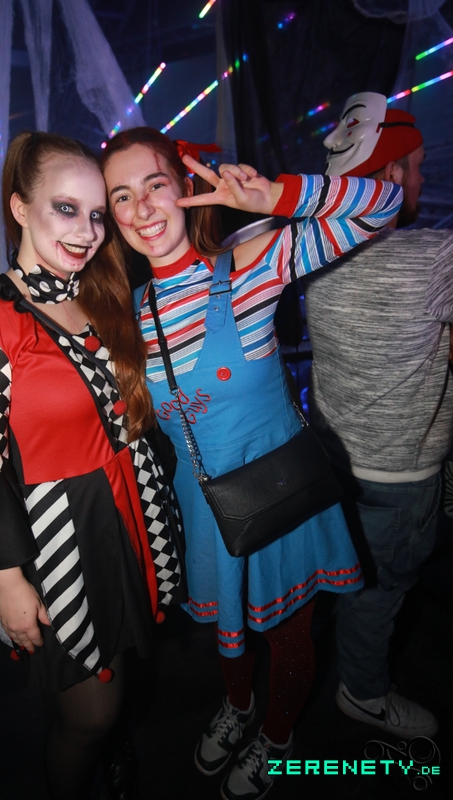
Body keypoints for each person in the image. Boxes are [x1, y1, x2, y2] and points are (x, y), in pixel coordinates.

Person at [100, 127, 402, 800]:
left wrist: (276, 197)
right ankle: (237, 707)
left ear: (186, 187)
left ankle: (278, 736)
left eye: (155, 184)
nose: (142, 209)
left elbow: (383, 205)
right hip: (205, 508)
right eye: (121, 196)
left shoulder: (247, 267)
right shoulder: (127, 316)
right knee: (226, 628)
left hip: (279, 496)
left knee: (289, 635)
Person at [0, 131, 183, 800]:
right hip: (58, 537)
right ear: (20, 208)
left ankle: (118, 751)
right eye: (66, 209)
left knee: (123, 671)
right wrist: (7, 579)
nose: (88, 231)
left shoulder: (100, 295)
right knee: (89, 713)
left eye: (97, 214)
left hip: (131, 512)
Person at [305, 92, 453, 739]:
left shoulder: (316, 255)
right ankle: (362, 694)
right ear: (389, 174)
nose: (421, 180)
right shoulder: (432, 259)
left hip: (334, 462)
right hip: (399, 475)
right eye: (415, 168)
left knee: (350, 575)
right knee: (381, 592)